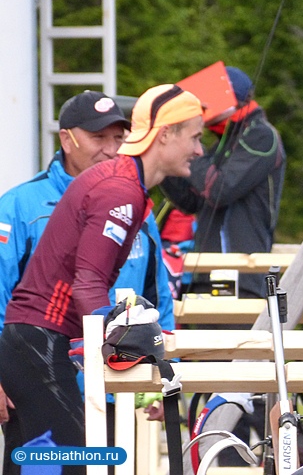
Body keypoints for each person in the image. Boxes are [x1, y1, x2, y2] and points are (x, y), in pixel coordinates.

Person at [0, 84, 204, 471]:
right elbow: (89, 284)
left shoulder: (124, 186)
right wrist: (120, 344)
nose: (200, 150)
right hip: (41, 343)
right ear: (165, 134)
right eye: (195, 137)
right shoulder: (119, 190)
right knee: (73, 463)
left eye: (118, 136)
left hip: (44, 342)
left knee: (41, 464)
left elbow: (154, 292)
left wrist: (153, 362)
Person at [160, 66, 286, 300]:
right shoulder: (224, 144)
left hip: (241, 275)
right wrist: (163, 162)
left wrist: (187, 147)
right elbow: (191, 202)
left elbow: (219, 189)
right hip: (207, 272)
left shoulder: (260, 136)